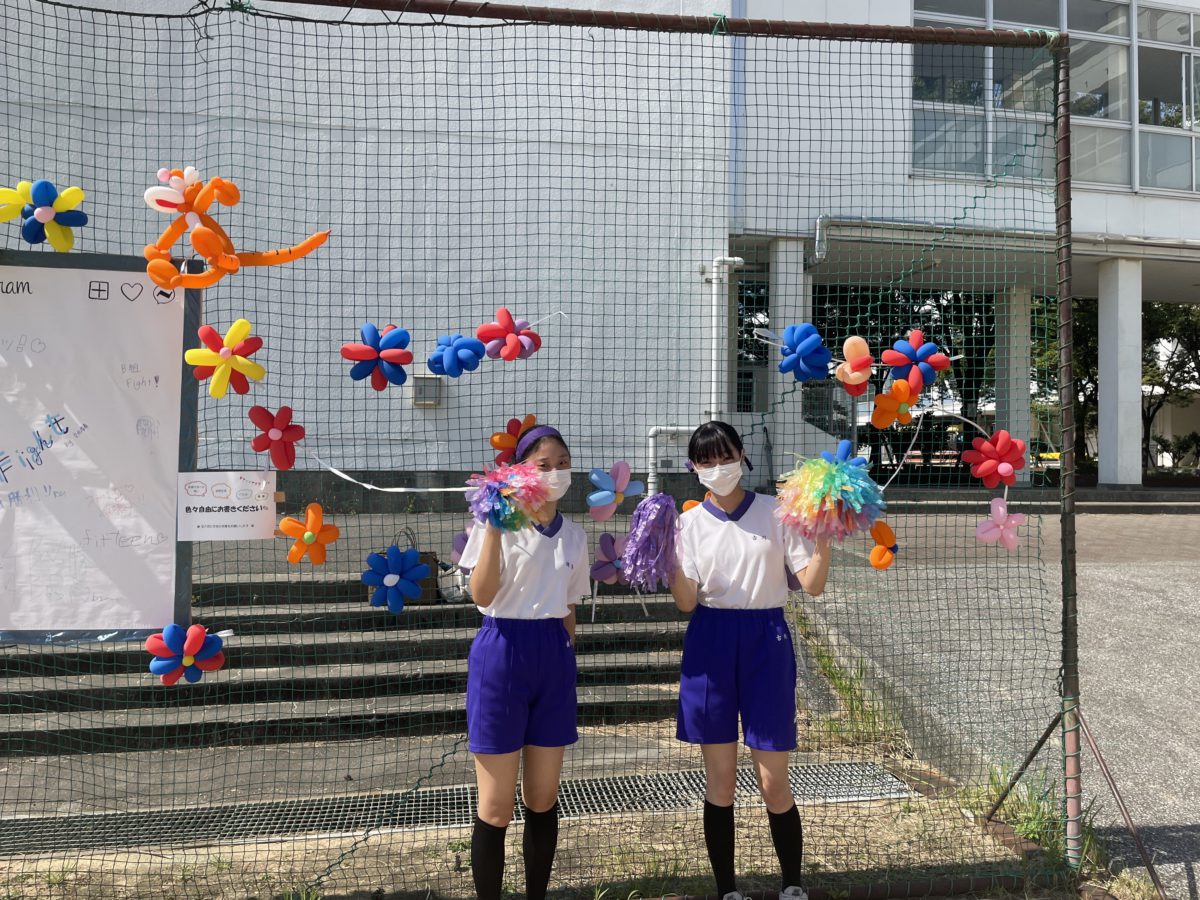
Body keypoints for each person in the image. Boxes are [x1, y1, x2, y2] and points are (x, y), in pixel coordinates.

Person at [670, 420, 832, 900]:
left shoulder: (777, 512)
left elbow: (813, 584)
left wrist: (825, 535)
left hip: (766, 639)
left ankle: (793, 886)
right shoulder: (688, 524)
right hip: (711, 639)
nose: (718, 468)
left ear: (742, 456)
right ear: (694, 468)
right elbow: (685, 601)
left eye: (726, 456)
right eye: (707, 461)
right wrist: (665, 553)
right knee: (720, 782)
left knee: (773, 781)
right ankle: (727, 890)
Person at [457, 425, 589, 900]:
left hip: (552, 654)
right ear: (519, 472)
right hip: (503, 651)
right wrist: (494, 525)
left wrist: (565, 657)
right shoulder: (495, 526)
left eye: (562, 464)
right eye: (543, 465)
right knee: (496, 806)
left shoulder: (575, 536)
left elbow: (569, 607)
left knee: (543, 797)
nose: (554, 473)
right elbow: (481, 595)